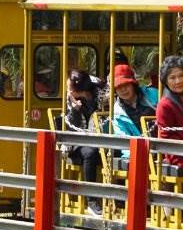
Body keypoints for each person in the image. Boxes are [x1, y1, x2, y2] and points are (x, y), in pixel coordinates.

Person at [63, 69, 103, 215]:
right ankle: (91, 200)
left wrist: (89, 93)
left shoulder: (96, 93)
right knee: (90, 152)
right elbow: (71, 125)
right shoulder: (70, 99)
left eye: (71, 89)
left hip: (99, 136)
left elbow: (106, 89)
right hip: (76, 140)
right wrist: (75, 109)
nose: (69, 92)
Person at [155, 56, 183, 176]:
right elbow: (166, 138)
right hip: (182, 154)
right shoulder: (165, 104)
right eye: (172, 78)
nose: (178, 81)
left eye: (181, 76)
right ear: (166, 81)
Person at [112, 67, 156, 157]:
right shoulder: (117, 111)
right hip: (138, 152)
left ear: (133, 84)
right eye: (119, 87)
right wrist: (134, 156)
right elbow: (123, 139)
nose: (123, 89)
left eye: (126, 85)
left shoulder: (153, 94)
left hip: (162, 147)